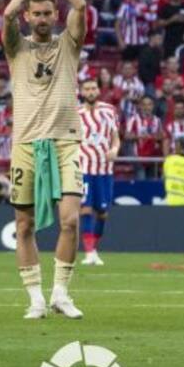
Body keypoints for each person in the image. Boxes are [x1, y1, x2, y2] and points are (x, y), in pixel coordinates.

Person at [2, 0, 87, 320]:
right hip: (26, 144)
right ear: (28, 17)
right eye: (35, 14)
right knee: (24, 224)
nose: (40, 19)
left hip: (66, 141)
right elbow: (6, 15)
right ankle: (35, 297)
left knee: (71, 219)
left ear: (55, 17)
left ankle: (61, 293)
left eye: (46, 13)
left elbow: (81, 4)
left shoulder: (69, 44)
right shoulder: (16, 47)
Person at [77, 76, 119, 267]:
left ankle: (94, 248)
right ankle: (89, 252)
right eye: (87, 89)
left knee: (102, 213)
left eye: (94, 88)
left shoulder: (109, 111)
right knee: (85, 208)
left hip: (104, 168)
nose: (91, 92)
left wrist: (114, 150)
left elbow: (116, 138)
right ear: (82, 92)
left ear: (98, 90)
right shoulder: (75, 114)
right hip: (84, 167)